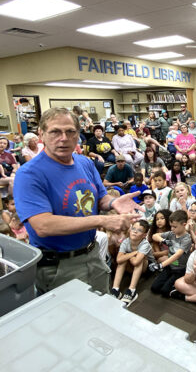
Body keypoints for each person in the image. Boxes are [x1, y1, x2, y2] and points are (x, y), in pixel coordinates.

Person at [13, 107, 142, 294]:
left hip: (92, 254)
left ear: (78, 135)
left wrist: (112, 203)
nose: (63, 138)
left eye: (70, 132)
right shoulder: (30, 174)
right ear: (41, 134)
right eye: (55, 132)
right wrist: (103, 220)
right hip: (59, 264)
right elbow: (43, 226)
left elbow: (99, 197)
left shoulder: (85, 163)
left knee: (101, 310)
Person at [110, 220, 155, 306]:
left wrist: (127, 255)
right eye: (133, 228)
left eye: (139, 230)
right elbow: (118, 260)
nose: (135, 231)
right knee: (122, 261)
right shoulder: (126, 241)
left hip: (147, 268)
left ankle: (132, 290)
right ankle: (115, 289)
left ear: (144, 235)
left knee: (139, 260)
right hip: (132, 266)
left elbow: (136, 262)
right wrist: (134, 253)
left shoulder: (145, 244)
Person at [149, 210, 193, 297]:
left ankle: (179, 289)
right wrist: (163, 240)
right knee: (154, 288)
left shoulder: (186, 239)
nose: (172, 229)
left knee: (164, 292)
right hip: (169, 267)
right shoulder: (171, 233)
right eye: (171, 226)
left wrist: (161, 265)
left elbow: (177, 255)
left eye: (174, 227)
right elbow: (154, 236)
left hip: (180, 269)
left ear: (184, 225)